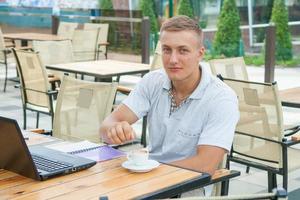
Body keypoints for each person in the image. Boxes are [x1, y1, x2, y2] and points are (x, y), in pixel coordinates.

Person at [100, 15, 239, 175]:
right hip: (147, 177)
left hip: (187, 187)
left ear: (200, 54)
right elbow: (105, 126)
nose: (173, 59)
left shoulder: (222, 99)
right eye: (167, 50)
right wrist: (113, 131)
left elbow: (205, 165)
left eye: (183, 50)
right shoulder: (153, 81)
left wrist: (152, 171)